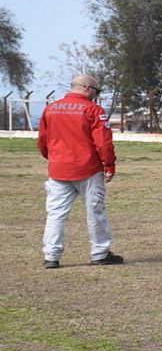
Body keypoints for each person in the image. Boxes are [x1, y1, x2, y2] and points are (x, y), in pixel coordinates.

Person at [36, 74, 123, 268]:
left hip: (58, 170)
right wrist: (109, 164)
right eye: (96, 91)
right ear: (87, 88)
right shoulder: (92, 110)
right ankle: (99, 253)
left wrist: (54, 158)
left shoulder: (50, 109)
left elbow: (42, 140)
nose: (96, 94)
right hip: (88, 169)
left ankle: (51, 256)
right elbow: (103, 142)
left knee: (56, 214)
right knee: (95, 212)